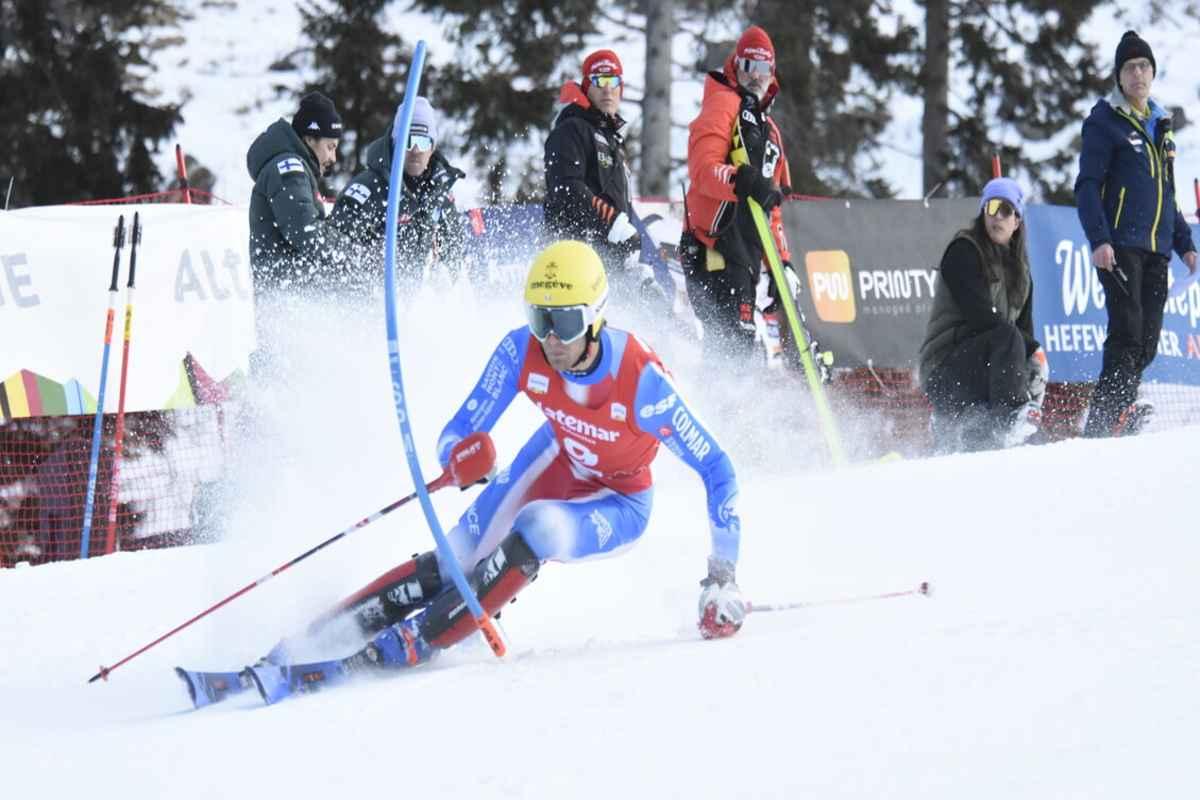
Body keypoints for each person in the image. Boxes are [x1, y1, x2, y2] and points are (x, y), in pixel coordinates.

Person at [225, 240, 746, 704]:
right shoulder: (523, 349)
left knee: (537, 527)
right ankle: (318, 636)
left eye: (564, 322)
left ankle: (418, 640)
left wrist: (722, 577)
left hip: (620, 500)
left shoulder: (643, 382)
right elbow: (457, 431)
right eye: (540, 320)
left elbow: (718, 469)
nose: (552, 339)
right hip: (557, 459)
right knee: (455, 555)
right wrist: (462, 456)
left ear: (595, 317)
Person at [1075, 30, 1198, 437]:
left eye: (1144, 66)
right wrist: (1099, 239)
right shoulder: (1104, 120)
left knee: (1146, 341)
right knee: (1126, 332)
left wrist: (1185, 245)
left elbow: (1168, 191)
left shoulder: (1161, 122)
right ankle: (1101, 426)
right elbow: (1087, 185)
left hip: (1157, 250)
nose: (1138, 74)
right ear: (1119, 76)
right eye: (1130, 67)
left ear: (1152, 73)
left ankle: (1117, 416)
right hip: (1121, 245)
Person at [679, 26, 795, 365]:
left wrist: (781, 262)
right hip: (711, 246)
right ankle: (717, 408)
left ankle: (728, 408)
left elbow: (772, 208)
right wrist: (742, 180)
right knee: (732, 343)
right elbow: (703, 170)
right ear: (736, 65)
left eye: (764, 70)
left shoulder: (769, 129)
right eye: (750, 67)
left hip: (744, 254)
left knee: (741, 347)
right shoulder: (721, 105)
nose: (757, 77)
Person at [919, 178, 1048, 453]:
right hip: (945, 370)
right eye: (991, 207)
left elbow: (1025, 334)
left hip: (989, 375)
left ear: (1017, 221)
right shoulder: (964, 251)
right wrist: (1031, 347)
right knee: (1008, 337)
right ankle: (1011, 421)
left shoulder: (1023, 276)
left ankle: (986, 436)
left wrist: (1035, 358)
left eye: (1005, 210)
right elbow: (981, 318)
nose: (997, 216)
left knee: (1020, 348)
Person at [245, 92, 351, 376]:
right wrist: (351, 255)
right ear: (309, 138)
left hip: (292, 300)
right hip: (288, 303)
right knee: (288, 379)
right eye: (330, 146)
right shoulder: (288, 170)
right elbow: (306, 232)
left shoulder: (295, 169)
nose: (333, 157)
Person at [544, 50, 662, 305]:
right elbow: (566, 188)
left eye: (613, 82)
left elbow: (618, 207)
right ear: (587, 86)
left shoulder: (612, 140)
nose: (607, 90)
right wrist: (613, 222)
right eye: (599, 81)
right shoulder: (571, 128)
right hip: (573, 259)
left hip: (606, 266)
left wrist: (630, 262)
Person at [330, 97, 474, 294]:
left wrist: (449, 284)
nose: (415, 150)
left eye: (422, 142)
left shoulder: (440, 191)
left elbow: (454, 253)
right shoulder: (369, 187)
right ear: (394, 144)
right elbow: (334, 246)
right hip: (370, 301)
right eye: (407, 141)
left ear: (432, 148)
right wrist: (366, 266)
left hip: (414, 303)